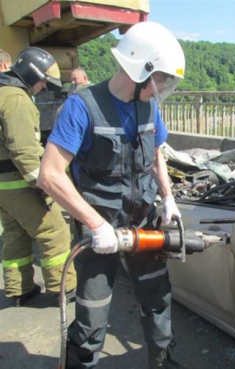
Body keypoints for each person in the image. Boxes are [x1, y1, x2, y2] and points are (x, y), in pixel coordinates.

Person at [38, 21, 185, 369]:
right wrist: (95, 224)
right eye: (160, 77)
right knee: (91, 316)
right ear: (140, 69)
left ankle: (163, 362)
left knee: (158, 300)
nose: (162, 86)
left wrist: (167, 199)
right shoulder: (82, 107)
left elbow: (156, 153)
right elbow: (50, 175)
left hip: (143, 221)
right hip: (100, 228)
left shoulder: (148, 104)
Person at [0, 47, 77, 307]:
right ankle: (64, 290)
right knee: (53, 231)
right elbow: (24, 151)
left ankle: (20, 289)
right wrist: (44, 185)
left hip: (3, 186)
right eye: (43, 80)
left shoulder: (3, 93)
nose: (44, 86)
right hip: (17, 182)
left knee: (15, 233)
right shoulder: (16, 99)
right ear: (32, 74)